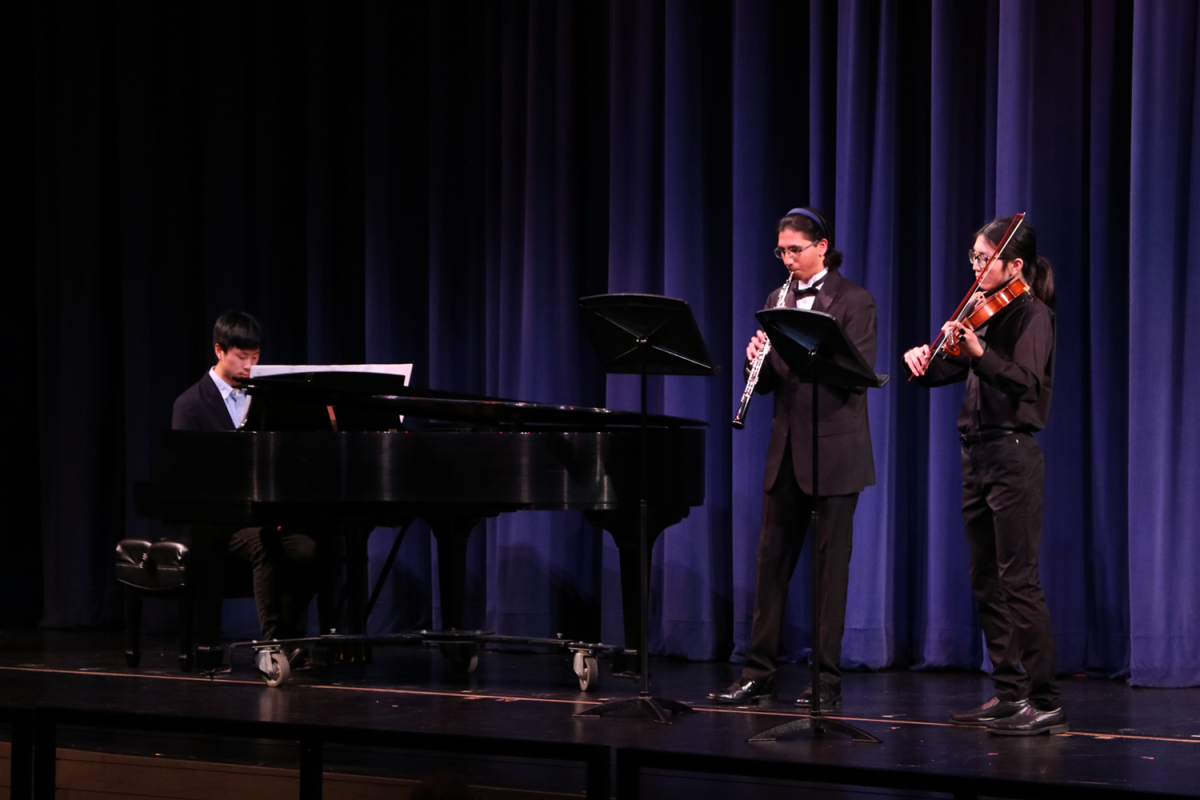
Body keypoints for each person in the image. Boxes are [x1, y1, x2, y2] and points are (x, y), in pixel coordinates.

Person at [903, 216, 1065, 736]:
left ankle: (1045, 699)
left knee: (1019, 581)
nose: (974, 267)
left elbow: (1026, 382)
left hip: (1013, 454)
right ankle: (1009, 692)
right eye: (972, 258)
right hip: (976, 455)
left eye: (983, 258)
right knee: (984, 580)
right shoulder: (982, 313)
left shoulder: (1032, 315)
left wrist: (980, 352)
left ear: (1014, 265)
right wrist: (925, 361)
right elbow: (950, 371)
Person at [710, 207, 877, 708]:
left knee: (830, 571)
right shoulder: (776, 298)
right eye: (781, 250)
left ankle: (825, 682)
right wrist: (754, 360)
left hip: (835, 450)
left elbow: (857, 373)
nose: (787, 259)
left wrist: (804, 348)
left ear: (822, 247)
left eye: (795, 250)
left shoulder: (854, 301)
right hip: (785, 450)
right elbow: (767, 386)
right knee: (770, 564)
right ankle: (757, 673)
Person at [172, 311, 319, 663]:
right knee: (266, 545)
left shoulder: (264, 397)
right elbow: (186, 474)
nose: (250, 366)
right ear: (219, 350)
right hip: (215, 520)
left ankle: (286, 635)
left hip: (260, 514)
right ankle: (271, 646)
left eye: (255, 358)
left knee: (311, 549)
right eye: (242, 356)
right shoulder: (190, 405)